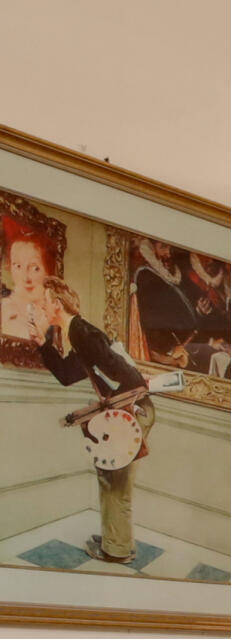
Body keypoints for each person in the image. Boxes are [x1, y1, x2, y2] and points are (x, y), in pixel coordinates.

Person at [2, 225, 154, 565]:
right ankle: (117, 539)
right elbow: (68, 376)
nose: (40, 310)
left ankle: (116, 550)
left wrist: (117, 408)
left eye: (42, 304)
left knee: (115, 480)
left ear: (56, 303)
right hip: (130, 407)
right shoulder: (77, 333)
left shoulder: (82, 333)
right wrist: (42, 342)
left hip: (133, 409)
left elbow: (125, 373)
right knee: (111, 475)